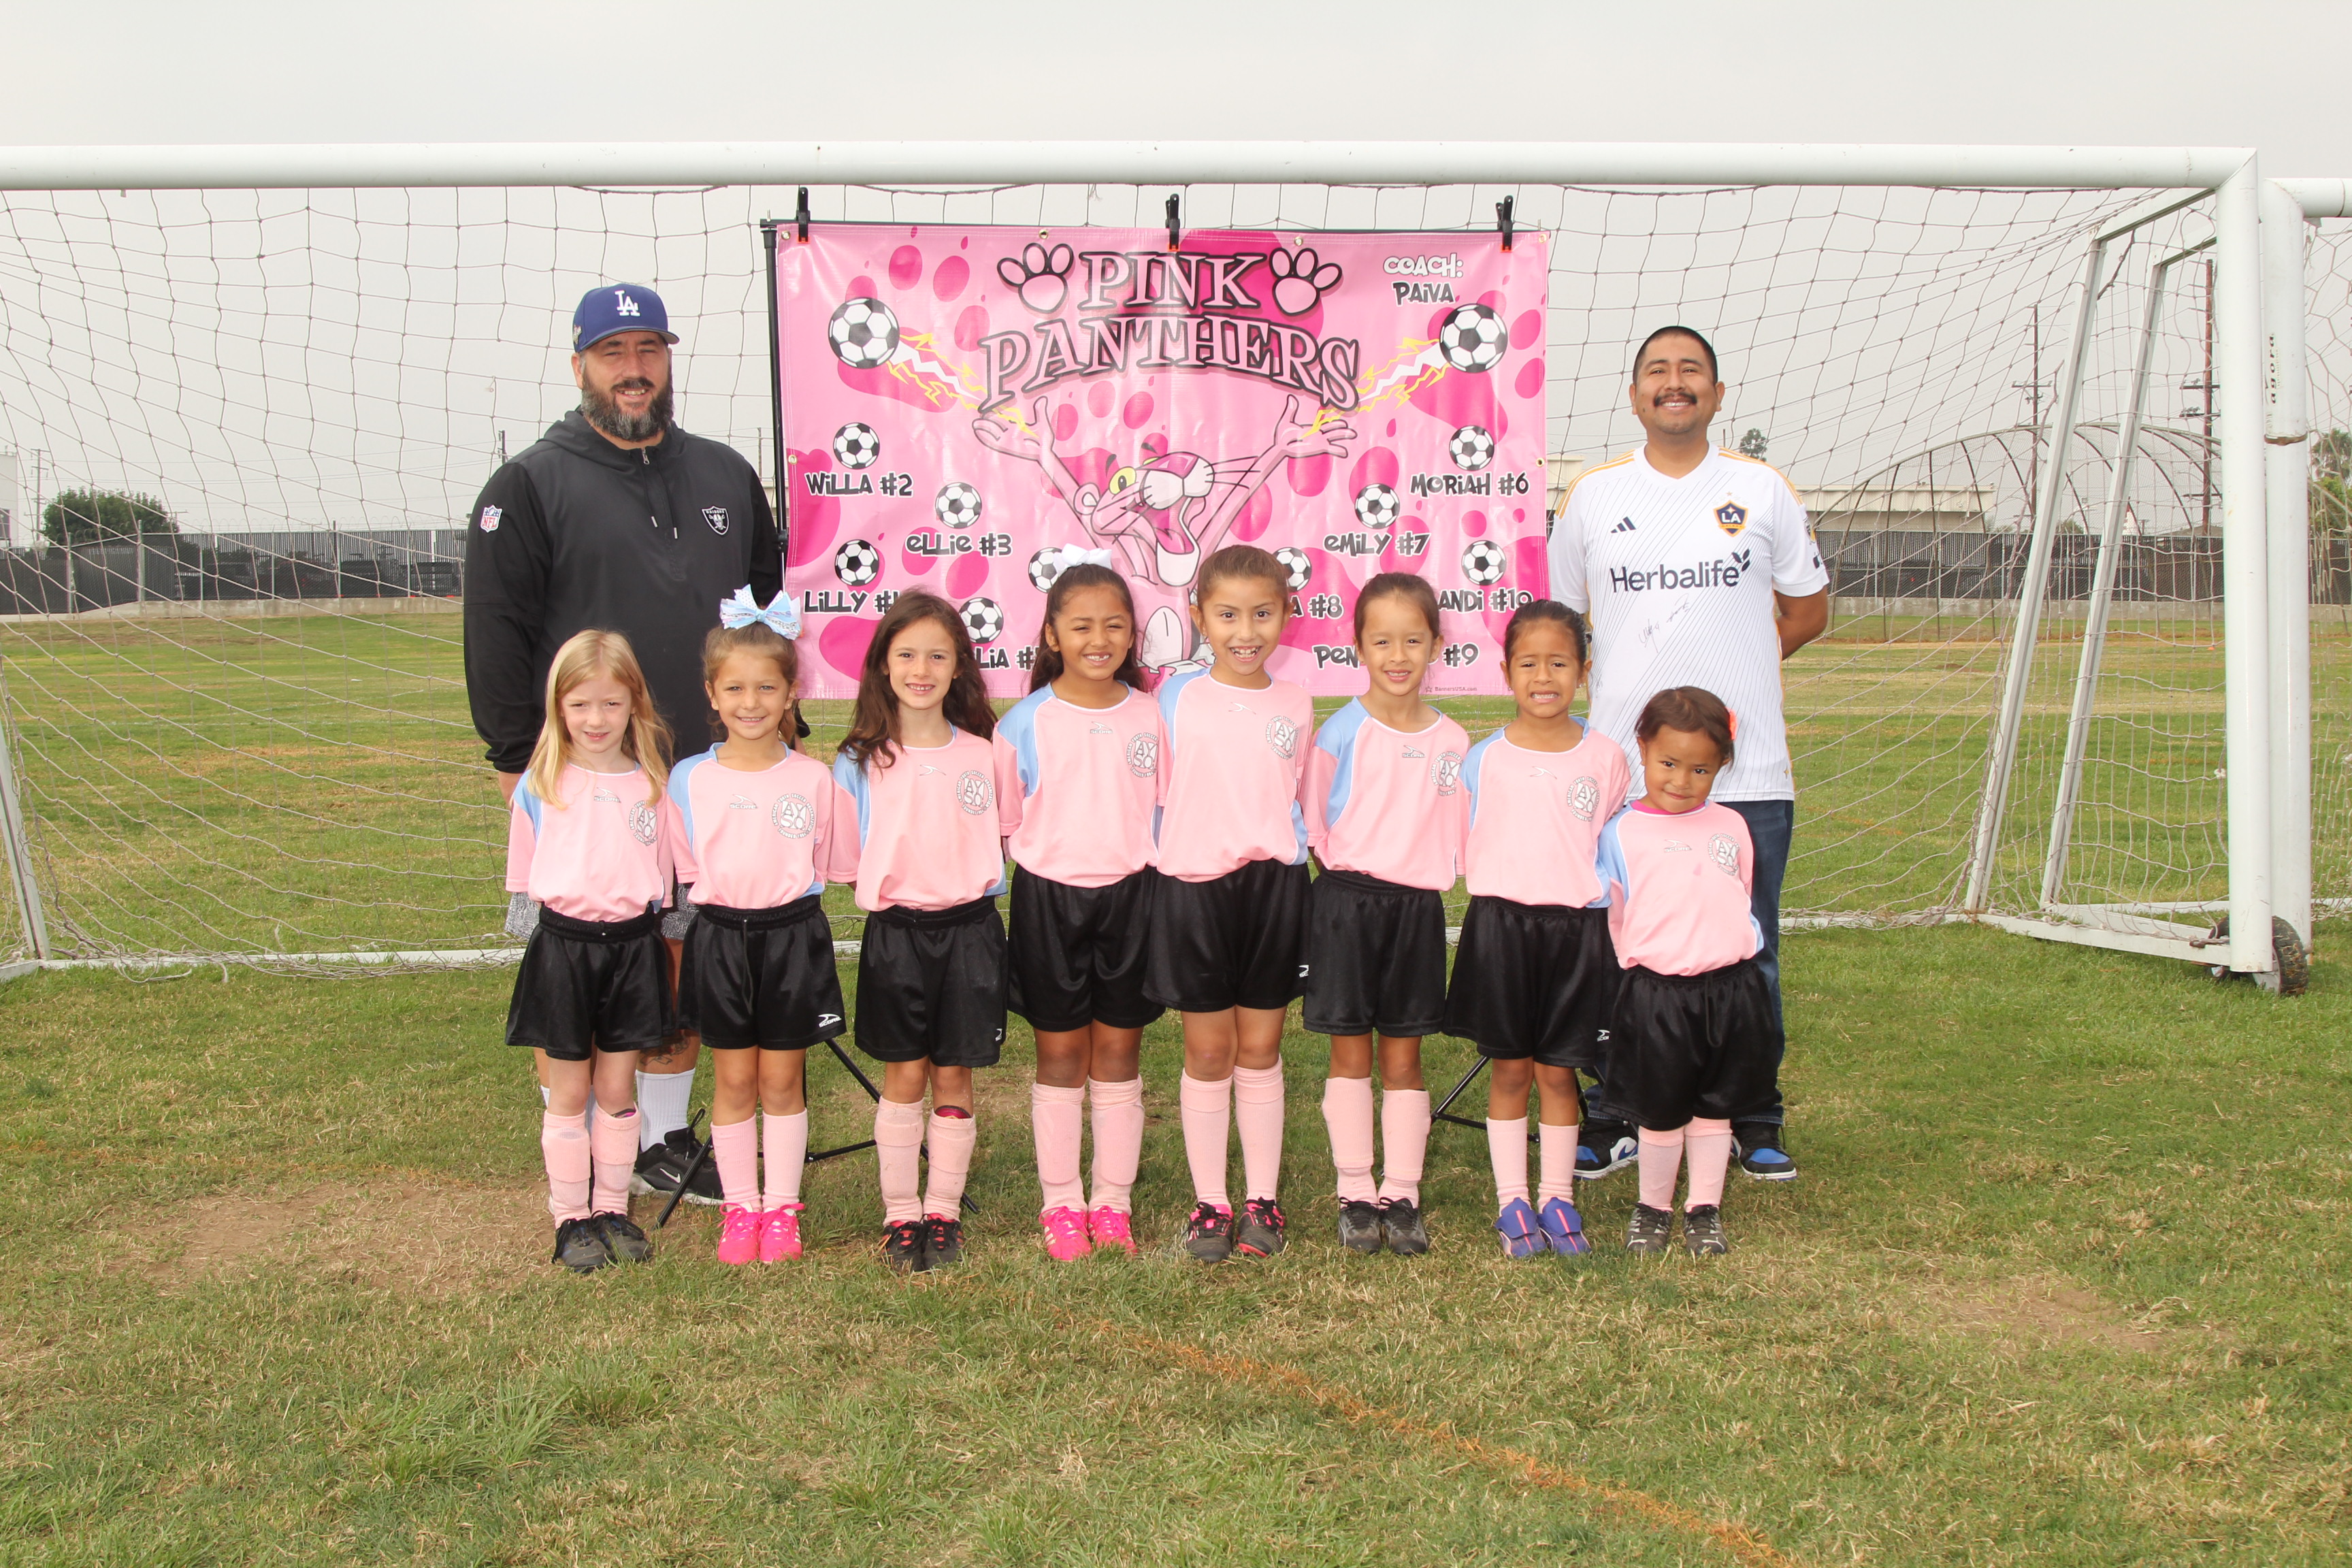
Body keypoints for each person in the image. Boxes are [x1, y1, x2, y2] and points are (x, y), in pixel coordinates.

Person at [464, 282, 783, 1203]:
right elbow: (495, 634)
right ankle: (586, 1145)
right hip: (592, 779)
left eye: (648, 349)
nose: (633, 369)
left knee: (682, 961)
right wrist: (514, 764)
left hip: (710, 777)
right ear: (581, 366)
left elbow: (763, 621)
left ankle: (663, 1139)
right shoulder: (529, 484)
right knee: (583, 966)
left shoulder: (726, 474)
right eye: (613, 353)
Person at [1547, 324, 1828, 1181]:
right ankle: (1615, 1113)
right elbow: (1559, 624)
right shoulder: (1593, 496)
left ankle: (1753, 1116)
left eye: (1691, 370)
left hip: (1746, 775)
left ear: (1716, 392)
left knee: (1749, 951)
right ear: (1635, 395)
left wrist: (1735, 681)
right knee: (1618, 948)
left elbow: (1807, 610)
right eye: (1658, 372)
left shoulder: (1761, 489)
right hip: (1623, 780)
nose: (1675, 383)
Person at [668, 589, 854, 1265]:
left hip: (792, 940)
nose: (751, 703)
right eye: (735, 689)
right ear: (712, 695)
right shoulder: (688, 779)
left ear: (791, 692)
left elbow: (829, 864)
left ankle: (781, 1210)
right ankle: (740, 1207)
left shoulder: (814, 779)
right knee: (735, 1082)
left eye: (767, 688)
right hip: (720, 940)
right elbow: (686, 866)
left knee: (782, 1081)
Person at [1443, 600, 1629, 1258]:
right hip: (1502, 931)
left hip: (1577, 935)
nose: (1543, 677)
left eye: (1559, 663)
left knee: (1559, 1073)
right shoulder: (1483, 759)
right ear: (1506, 672)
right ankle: (1511, 1201)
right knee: (1511, 1069)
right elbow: (1462, 839)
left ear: (1583, 671)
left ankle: (1557, 1197)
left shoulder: (1606, 758)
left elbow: (1615, 847)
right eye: (1528, 663)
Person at [830, 592, 1009, 1273]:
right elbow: (850, 858)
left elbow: (1002, 838)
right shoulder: (859, 760)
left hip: (969, 934)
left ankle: (944, 1211)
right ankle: (902, 1214)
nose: (921, 669)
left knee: (954, 1074)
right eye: (906, 654)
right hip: (897, 936)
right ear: (883, 663)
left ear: (960, 665)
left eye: (937, 655)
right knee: (904, 1074)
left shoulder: (985, 753)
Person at [1145, 544, 1314, 1264]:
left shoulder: (1297, 703)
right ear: (1199, 617)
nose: (1246, 632)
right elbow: (1155, 793)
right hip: (1196, 891)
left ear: (1287, 613)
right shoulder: (1172, 699)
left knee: (1262, 1049)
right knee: (1210, 1050)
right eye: (1228, 615)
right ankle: (1211, 1201)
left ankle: (1262, 1200)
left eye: (1263, 614)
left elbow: (1296, 797)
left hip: (1273, 891)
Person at [994, 552, 1162, 1260]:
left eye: (1115, 625)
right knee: (1061, 1053)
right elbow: (1005, 822)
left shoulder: (1154, 715)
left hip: (1134, 898)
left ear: (1132, 636)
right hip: (1050, 901)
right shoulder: (1023, 723)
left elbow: (1167, 809)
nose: (1100, 639)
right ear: (1052, 635)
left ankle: (1113, 1201)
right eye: (1082, 625)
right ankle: (1062, 1202)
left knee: (1119, 1051)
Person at [1299, 572, 1466, 1256]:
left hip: (1415, 912)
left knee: (1404, 1053)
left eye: (1413, 641)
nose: (1398, 657)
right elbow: (1315, 824)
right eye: (1383, 642)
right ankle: (1354, 1191)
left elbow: (1459, 828)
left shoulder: (1454, 741)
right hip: (1346, 903)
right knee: (1350, 1053)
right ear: (1359, 647)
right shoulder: (1340, 733)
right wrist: (1346, 887)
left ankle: (1402, 1192)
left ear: (1437, 646)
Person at [503, 630, 676, 1274]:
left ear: (634, 705)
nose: (595, 719)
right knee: (571, 1090)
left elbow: (664, 884)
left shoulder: (652, 786)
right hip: (565, 951)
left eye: (610, 703)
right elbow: (525, 878)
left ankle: (611, 1208)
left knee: (617, 1087)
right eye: (580, 704)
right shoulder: (542, 784)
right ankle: (570, 1218)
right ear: (559, 707)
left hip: (632, 950)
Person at [1595, 687, 1780, 1256]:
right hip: (1658, 997)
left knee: (1714, 1108)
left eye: (1700, 769)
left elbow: (1741, 894)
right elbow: (1616, 913)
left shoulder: (1732, 825)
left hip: (1731, 991)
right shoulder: (1621, 832)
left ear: (1721, 764)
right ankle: (1653, 1208)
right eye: (1669, 764)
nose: (1681, 780)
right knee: (1660, 1113)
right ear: (1643, 750)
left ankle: (1704, 1208)